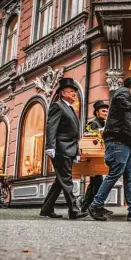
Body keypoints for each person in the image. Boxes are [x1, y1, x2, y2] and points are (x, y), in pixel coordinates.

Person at [88, 77, 131, 221]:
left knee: (130, 177)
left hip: (128, 143)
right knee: (115, 174)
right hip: (118, 141)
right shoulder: (123, 92)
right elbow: (120, 100)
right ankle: (95, 205)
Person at [40, 78, 88, 220]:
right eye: (71, 92)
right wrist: (50, 146)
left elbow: (74, 133)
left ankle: (46, 209)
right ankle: (74, 210)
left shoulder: (71, 108)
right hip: (61, 149)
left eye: (75, 92)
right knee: (66, 180)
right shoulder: (58, 106)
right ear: (62, 93)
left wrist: (77, 151)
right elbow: (51, 127)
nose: (74, 94)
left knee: (60, 181)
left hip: (69, 149)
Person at [80, 100, 111, 214]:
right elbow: (91, 140)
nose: (106, 113)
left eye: (107, 111)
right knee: (96, 182)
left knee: (95, 182)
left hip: (99, 157)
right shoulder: (94, 124)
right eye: (103, 111)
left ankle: (87, 207)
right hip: (94, 157)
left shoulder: (103, 124)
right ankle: (94, 206)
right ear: (97, 113)